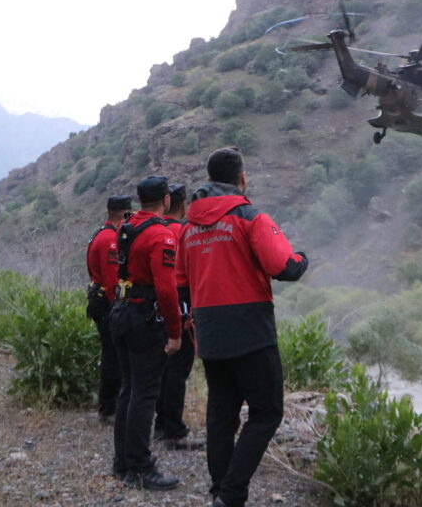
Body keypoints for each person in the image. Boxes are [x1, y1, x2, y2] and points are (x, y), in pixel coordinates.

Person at [176, 147, 309, 507]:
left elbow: (181, 282)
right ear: (242, 179)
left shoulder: (188, 227)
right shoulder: (250, 217)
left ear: (208, 179)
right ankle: (232, 494)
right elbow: (284, 267)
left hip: (209, 331)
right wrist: (302, 259)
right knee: (267, 411)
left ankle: (220, 491)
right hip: (250, 329)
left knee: (222, 414)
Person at [110, 176, 182, 491]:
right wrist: (175, 332)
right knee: (144, 393)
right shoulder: (161, 235)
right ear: (166, 200)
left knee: (129, 389)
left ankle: (122, 463)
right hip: (143, 317)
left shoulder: (127, 227)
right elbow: (166, 289)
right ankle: (140, 467)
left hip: (121, 311)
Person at [154, 183, 203, 451]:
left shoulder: (154, 231)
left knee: (164, 367)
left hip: (156, 308)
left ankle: (162, 424)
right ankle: (173, 429)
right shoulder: (182, 233)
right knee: (178, 369)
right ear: (182, 205)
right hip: (181, 306)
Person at [85, 194, 132, 423]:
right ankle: (109, 408)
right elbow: (113, 279)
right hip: (106, 303)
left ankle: (109, 406)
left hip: (101, 300)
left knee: (112, 354)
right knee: (114, 356)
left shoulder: (102, 234)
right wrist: (120, 307)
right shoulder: (110, 240)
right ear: (124, 213)